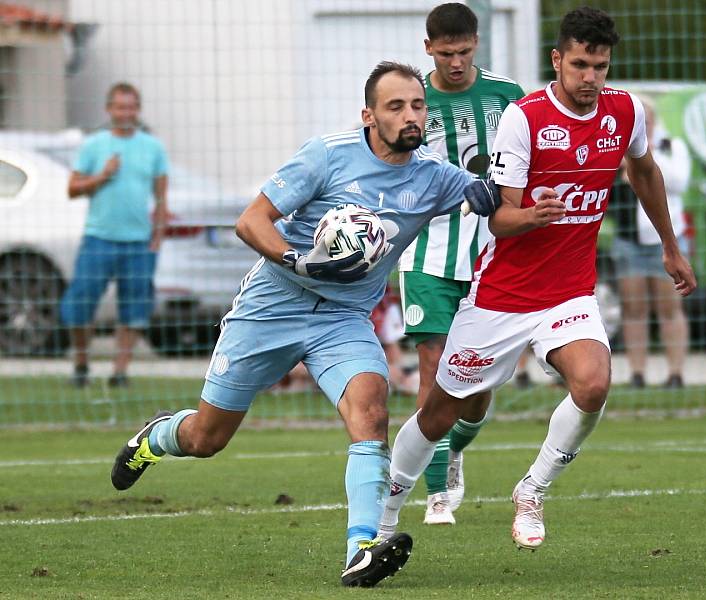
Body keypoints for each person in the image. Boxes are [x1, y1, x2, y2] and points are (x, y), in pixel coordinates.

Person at [108, 61, 501, 588]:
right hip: (274, 303)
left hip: (342, 319)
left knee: (371, 411)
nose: (411, 116)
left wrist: (495, 196)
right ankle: (157, 437)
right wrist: (299, 259)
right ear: (368, 115)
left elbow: (493, 196)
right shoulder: (328, 154)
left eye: (417, 105)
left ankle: (362, 548)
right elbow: (251, 221)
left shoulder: (433, 175)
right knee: (207, 438)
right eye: (396, 106)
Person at [379, 7, 696, 556]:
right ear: (558, 60)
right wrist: (533, 215)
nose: (591, 77)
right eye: (580, 65)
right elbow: (498, 218)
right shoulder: (524, 118)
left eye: (600, 66)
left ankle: (532, 490)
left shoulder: (623, 112)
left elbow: (643, 171)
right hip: (501, 295)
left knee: (594, 385)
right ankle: (382, 519)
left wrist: (669, 244)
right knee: (440, 410)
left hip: (569, 292)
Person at [397, 2, 525, 525]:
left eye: (464, 51)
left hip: (493, 252)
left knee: (475, 387)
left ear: (477, 44)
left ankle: (456, 446)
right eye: (446, 53)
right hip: (425, 250)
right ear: (428, 48)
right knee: (433, 364)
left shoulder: (508, 95)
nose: (455, 62)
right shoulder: (410, 101)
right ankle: (435, 492)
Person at [60, 82, 169, 388]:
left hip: (139, 243)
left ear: (138, 110)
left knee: (134, 308)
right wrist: (102, 175)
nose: (126, 113)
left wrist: (157, 238)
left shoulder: (153, 148)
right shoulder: (94, 146)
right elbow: (72, 188)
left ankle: (119, 372)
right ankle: (81, 365)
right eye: (120, 107)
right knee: (80, 302)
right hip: (99, 239)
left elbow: (161, 198)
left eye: (131, 107)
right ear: (109, 110)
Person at [610, 100, 692, 389]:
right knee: (633, 309)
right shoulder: (615, 149)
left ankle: (675, 373)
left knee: (669, 308)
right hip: (629, 240)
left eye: (646, 121)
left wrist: (646, 156)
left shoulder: (671, 145)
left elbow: (679, 181)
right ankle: (637, 373)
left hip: (666, 240)